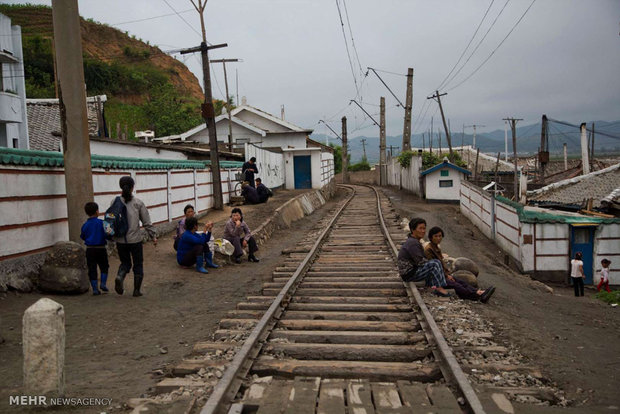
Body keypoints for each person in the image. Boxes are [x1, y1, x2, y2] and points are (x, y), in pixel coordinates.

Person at [424, 226, 495, 303]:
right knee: (456, 285)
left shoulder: (436, 247)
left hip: (442, 275)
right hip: (435, 279)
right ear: (431, 237)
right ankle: (477, 295)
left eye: (440, 236)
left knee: (460, 282)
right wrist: (446, 276)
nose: (438, 238)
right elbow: (434, 267)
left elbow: (442, 265)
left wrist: (447, 275)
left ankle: (479, 292)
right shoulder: (429, 250)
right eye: (436, 236)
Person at [114, 176, 157, 297]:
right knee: (138, 264)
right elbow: (146, 222)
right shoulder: (138, 203)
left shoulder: (115, 201)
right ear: (132, 187)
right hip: (135, 240)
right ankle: (136, 290)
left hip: (120, 240)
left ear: (121, 187)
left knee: (125, 263)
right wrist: (153, 236)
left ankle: (120, 275)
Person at [397, 218, 451, 296]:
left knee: (433, 263)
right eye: (420, 228)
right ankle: (438, 288)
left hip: (410, 271)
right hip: (409, 274)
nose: (423, 231)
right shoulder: (413, 243)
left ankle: (433, 285)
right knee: (435, 263)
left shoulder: (413, 241)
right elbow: (420, 262)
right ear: (413, 230)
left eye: (424, 228)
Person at [80, 202, 109, 296]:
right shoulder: (102, 223)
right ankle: (103, 284)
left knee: (92, 269)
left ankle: (95, 289)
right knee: (104, 266)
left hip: (90, 250)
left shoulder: (85, 225)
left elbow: (83, 236)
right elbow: (109, 233)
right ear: (97, 211)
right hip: (101, 248)